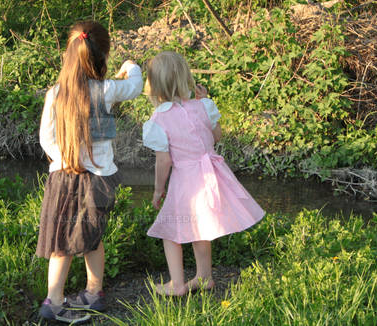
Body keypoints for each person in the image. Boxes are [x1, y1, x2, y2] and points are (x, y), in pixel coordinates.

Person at [36, 20, 143, 324]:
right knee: (92, 237)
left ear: (69, 57)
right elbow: (135, 86)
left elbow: (46, 138)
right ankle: (92, 294)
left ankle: (54, 300)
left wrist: (65, 159)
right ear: (102, 58)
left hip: (63, 178)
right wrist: (131, 65)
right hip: (99, 180)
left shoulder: (55, 94)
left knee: (62, 242)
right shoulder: (106, 89)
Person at [142, 51, 265, 296]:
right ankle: (204, 276)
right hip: (211, 173)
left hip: (186, 179)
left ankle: (177, 285)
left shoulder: (159, 119)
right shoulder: (202, 105)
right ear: (185, 77)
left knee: (170, 229)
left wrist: (158, 189)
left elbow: (164, 160)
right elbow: (216, 136)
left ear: (154, 84)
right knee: (201, 227)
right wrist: (207, 101)